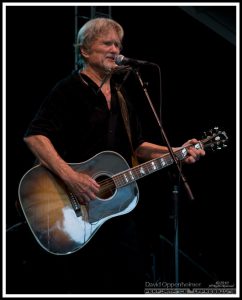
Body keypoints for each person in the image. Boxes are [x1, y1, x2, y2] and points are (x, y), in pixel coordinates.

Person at [22, 17, 205, 294]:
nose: (114, 49)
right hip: (69, 205)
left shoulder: (122, 94)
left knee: (129, 279)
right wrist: (72, 178)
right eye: (106, 43)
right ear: (84, 51)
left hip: (113, 210)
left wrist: (178, 151)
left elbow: (138, 146)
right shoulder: (68, 89)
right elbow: (35, 136)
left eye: (117, 44)